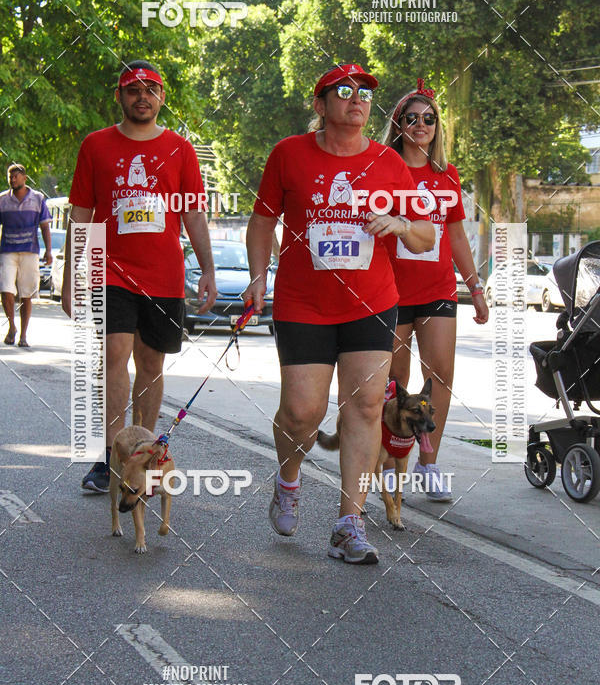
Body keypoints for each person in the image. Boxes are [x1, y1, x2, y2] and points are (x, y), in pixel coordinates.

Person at [244, 64, 435, 564]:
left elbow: (426, 234)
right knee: (302, 413)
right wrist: (259, 277)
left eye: (366, 93)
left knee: (367, 407)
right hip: (303, 304)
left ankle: (349, 522)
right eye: (344, 92)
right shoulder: (289, 154)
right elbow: (263, 222)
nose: (357, 100)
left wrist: (399, 222)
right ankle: (289, 480)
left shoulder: (390, 164)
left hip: (371, 303)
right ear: (321, 104)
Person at [62, 60, 217, 493]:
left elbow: (193, 213)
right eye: (133, 89)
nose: (142, 96)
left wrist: (207, 269)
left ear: (161, 97)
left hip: (164, 277)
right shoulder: (96, 145)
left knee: (151, 364)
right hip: (111, 272)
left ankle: (143, 456)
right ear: (120, 96)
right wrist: (72, 276)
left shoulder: (180, 149)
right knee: (114, 356)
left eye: (150, 89)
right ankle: (110, 458)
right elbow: (81, 215)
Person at [382, 79, 489, 501]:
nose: (421, 124)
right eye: (412, 118)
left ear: (437, 126)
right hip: (390, 291)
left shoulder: (447, 175)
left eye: (429, 118)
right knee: (394, 383)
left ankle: (430, 463)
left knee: (439, 376)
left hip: (439, 289)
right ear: (399, 124)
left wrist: (475, 287)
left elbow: (457, 237)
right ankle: (391, 463)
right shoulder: (383, 168)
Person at [0, 163, 52, 347]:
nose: (13, 179)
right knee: (6, 289)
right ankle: (12, 326)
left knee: (26, 293)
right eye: (10, 176)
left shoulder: (38, 199)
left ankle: (23, 335)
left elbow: (45, 226)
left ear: (24, 177)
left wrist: (49, 251)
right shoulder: (2, 200)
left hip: (30, 252)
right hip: (7, 251)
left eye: (16, 176)